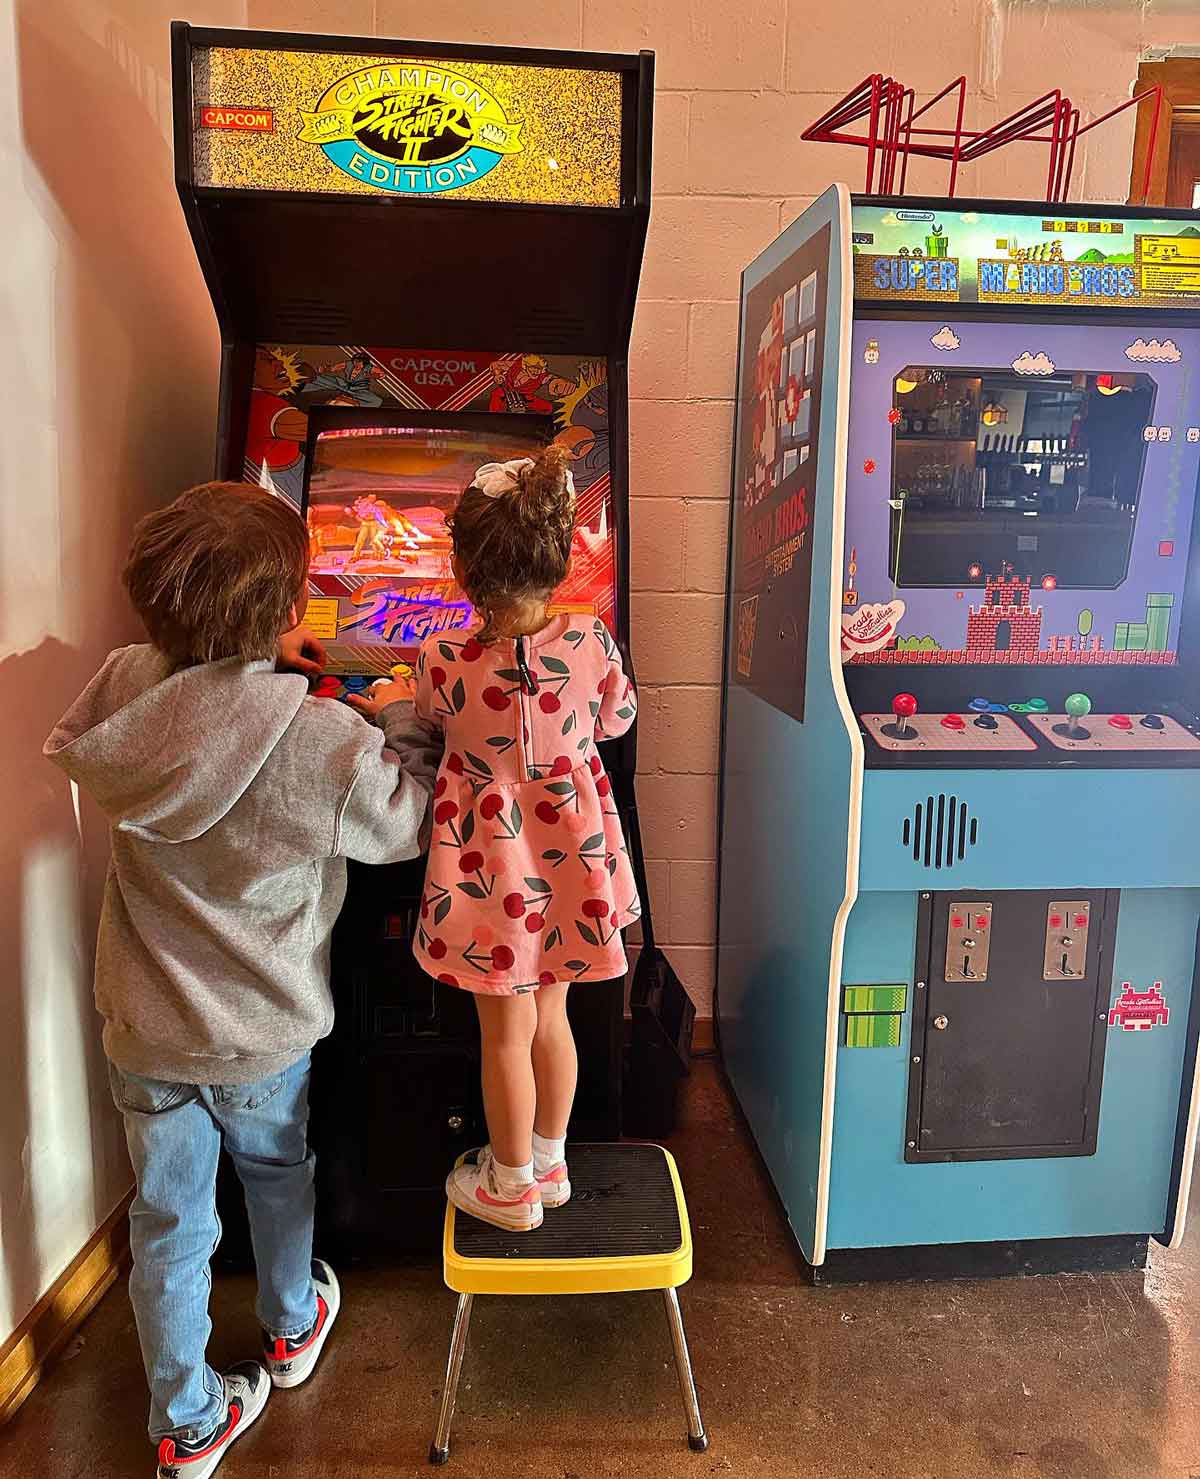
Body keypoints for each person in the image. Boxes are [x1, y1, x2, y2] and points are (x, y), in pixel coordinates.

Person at [44, 482, 438, 1479]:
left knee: (168, 1221)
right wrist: (397, 712)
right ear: (288, 605)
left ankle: (187, 1421)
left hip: (142, 1023)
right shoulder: (322, 741)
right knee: (276, 1171)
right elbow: (403, 823)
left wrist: (255, 662)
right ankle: (292, 1324)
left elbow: (193, 705)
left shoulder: (125, 688)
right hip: (262, 1029)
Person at [352, 445, 639, 1232]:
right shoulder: (589, 643)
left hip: (492, 875)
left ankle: (508, 1185)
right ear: (560, 558)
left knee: (503, 1033)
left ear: (464, 569)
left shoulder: (442, 657)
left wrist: (385, 699)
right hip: (572, 864)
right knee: (556, 1019)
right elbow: (616, 719)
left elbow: (430, 723)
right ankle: (550, 1163)